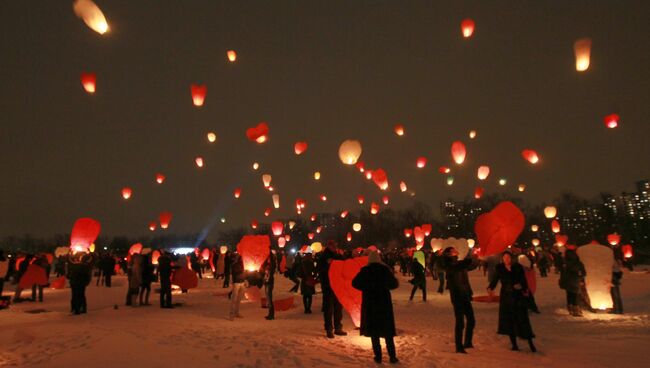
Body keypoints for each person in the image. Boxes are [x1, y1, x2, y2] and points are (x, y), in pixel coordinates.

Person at [352, 251, 399, 364]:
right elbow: (394, 285)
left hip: (370, 303)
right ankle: (392, 356)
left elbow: (354, 283)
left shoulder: (365, 270)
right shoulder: (384, 270)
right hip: (384, 304)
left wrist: (366, 287)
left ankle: (378, 356)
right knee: (387, 331)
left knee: (374, 332)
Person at [488, 251, 536, 352]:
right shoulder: (500, 268)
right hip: (506, 296)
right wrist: (490, 288)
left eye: (508, 257)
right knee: (509, 320)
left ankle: (530, 343)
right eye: (505, 258)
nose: (507, 259)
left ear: (512, 258)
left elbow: (524, 280)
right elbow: (495, 280)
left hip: (517, 296)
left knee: (522, 319)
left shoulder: (518, 267)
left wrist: (521, 286)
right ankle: (514, 344)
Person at [443, 247, 478, 354]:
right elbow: (456, 268)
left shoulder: (459, 263)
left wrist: (475, 256)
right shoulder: (448, 264)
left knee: (471, 320)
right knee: (460, 322)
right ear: (449, 254)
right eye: (453, 250)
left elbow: (472, 265)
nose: (456, 250)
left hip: (465, 294)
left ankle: (468, 342)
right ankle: (459, 346)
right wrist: (467, 261)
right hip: (457, 296)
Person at [318, 241, 347, 338]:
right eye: (333, 246)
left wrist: (342, 256)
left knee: (338, 307)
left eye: (336, 245)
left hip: (338, 285)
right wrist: (327, 264)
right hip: (328, 286)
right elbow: (320, 270)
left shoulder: (337, 255)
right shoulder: (323, 256)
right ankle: (329, 329)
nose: (335, 247)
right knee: (329, 308)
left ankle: (338, 327)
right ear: (329, 246)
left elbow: (344, 265)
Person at [559, 249, 586, 316]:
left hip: (567, 281)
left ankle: (570, 309)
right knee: (575, 295)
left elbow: (562, 273)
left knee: (569, 295)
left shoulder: (565, 263)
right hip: (575, 280)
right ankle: (576, 310)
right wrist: (581, 278)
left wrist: (562, 281)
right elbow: (584, 273)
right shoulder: (578, 263)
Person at [229, 253, 246, 320]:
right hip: (236, 283)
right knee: (234, 299)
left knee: (239, 299)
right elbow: (236, 272)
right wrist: (243, 271)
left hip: (242, 282)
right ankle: (231, 314)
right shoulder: (234, 264)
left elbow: (244, 273)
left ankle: (237, 312)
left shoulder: (243, 264)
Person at [262, 251, 277, 320]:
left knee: (269, 299)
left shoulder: (272, 265)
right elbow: (263, 265)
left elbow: (272, 260)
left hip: (270, 283)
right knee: (268, 299)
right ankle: (270, 314)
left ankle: (271, 315)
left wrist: (270, 252)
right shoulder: (267, 265)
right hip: (266, 282)